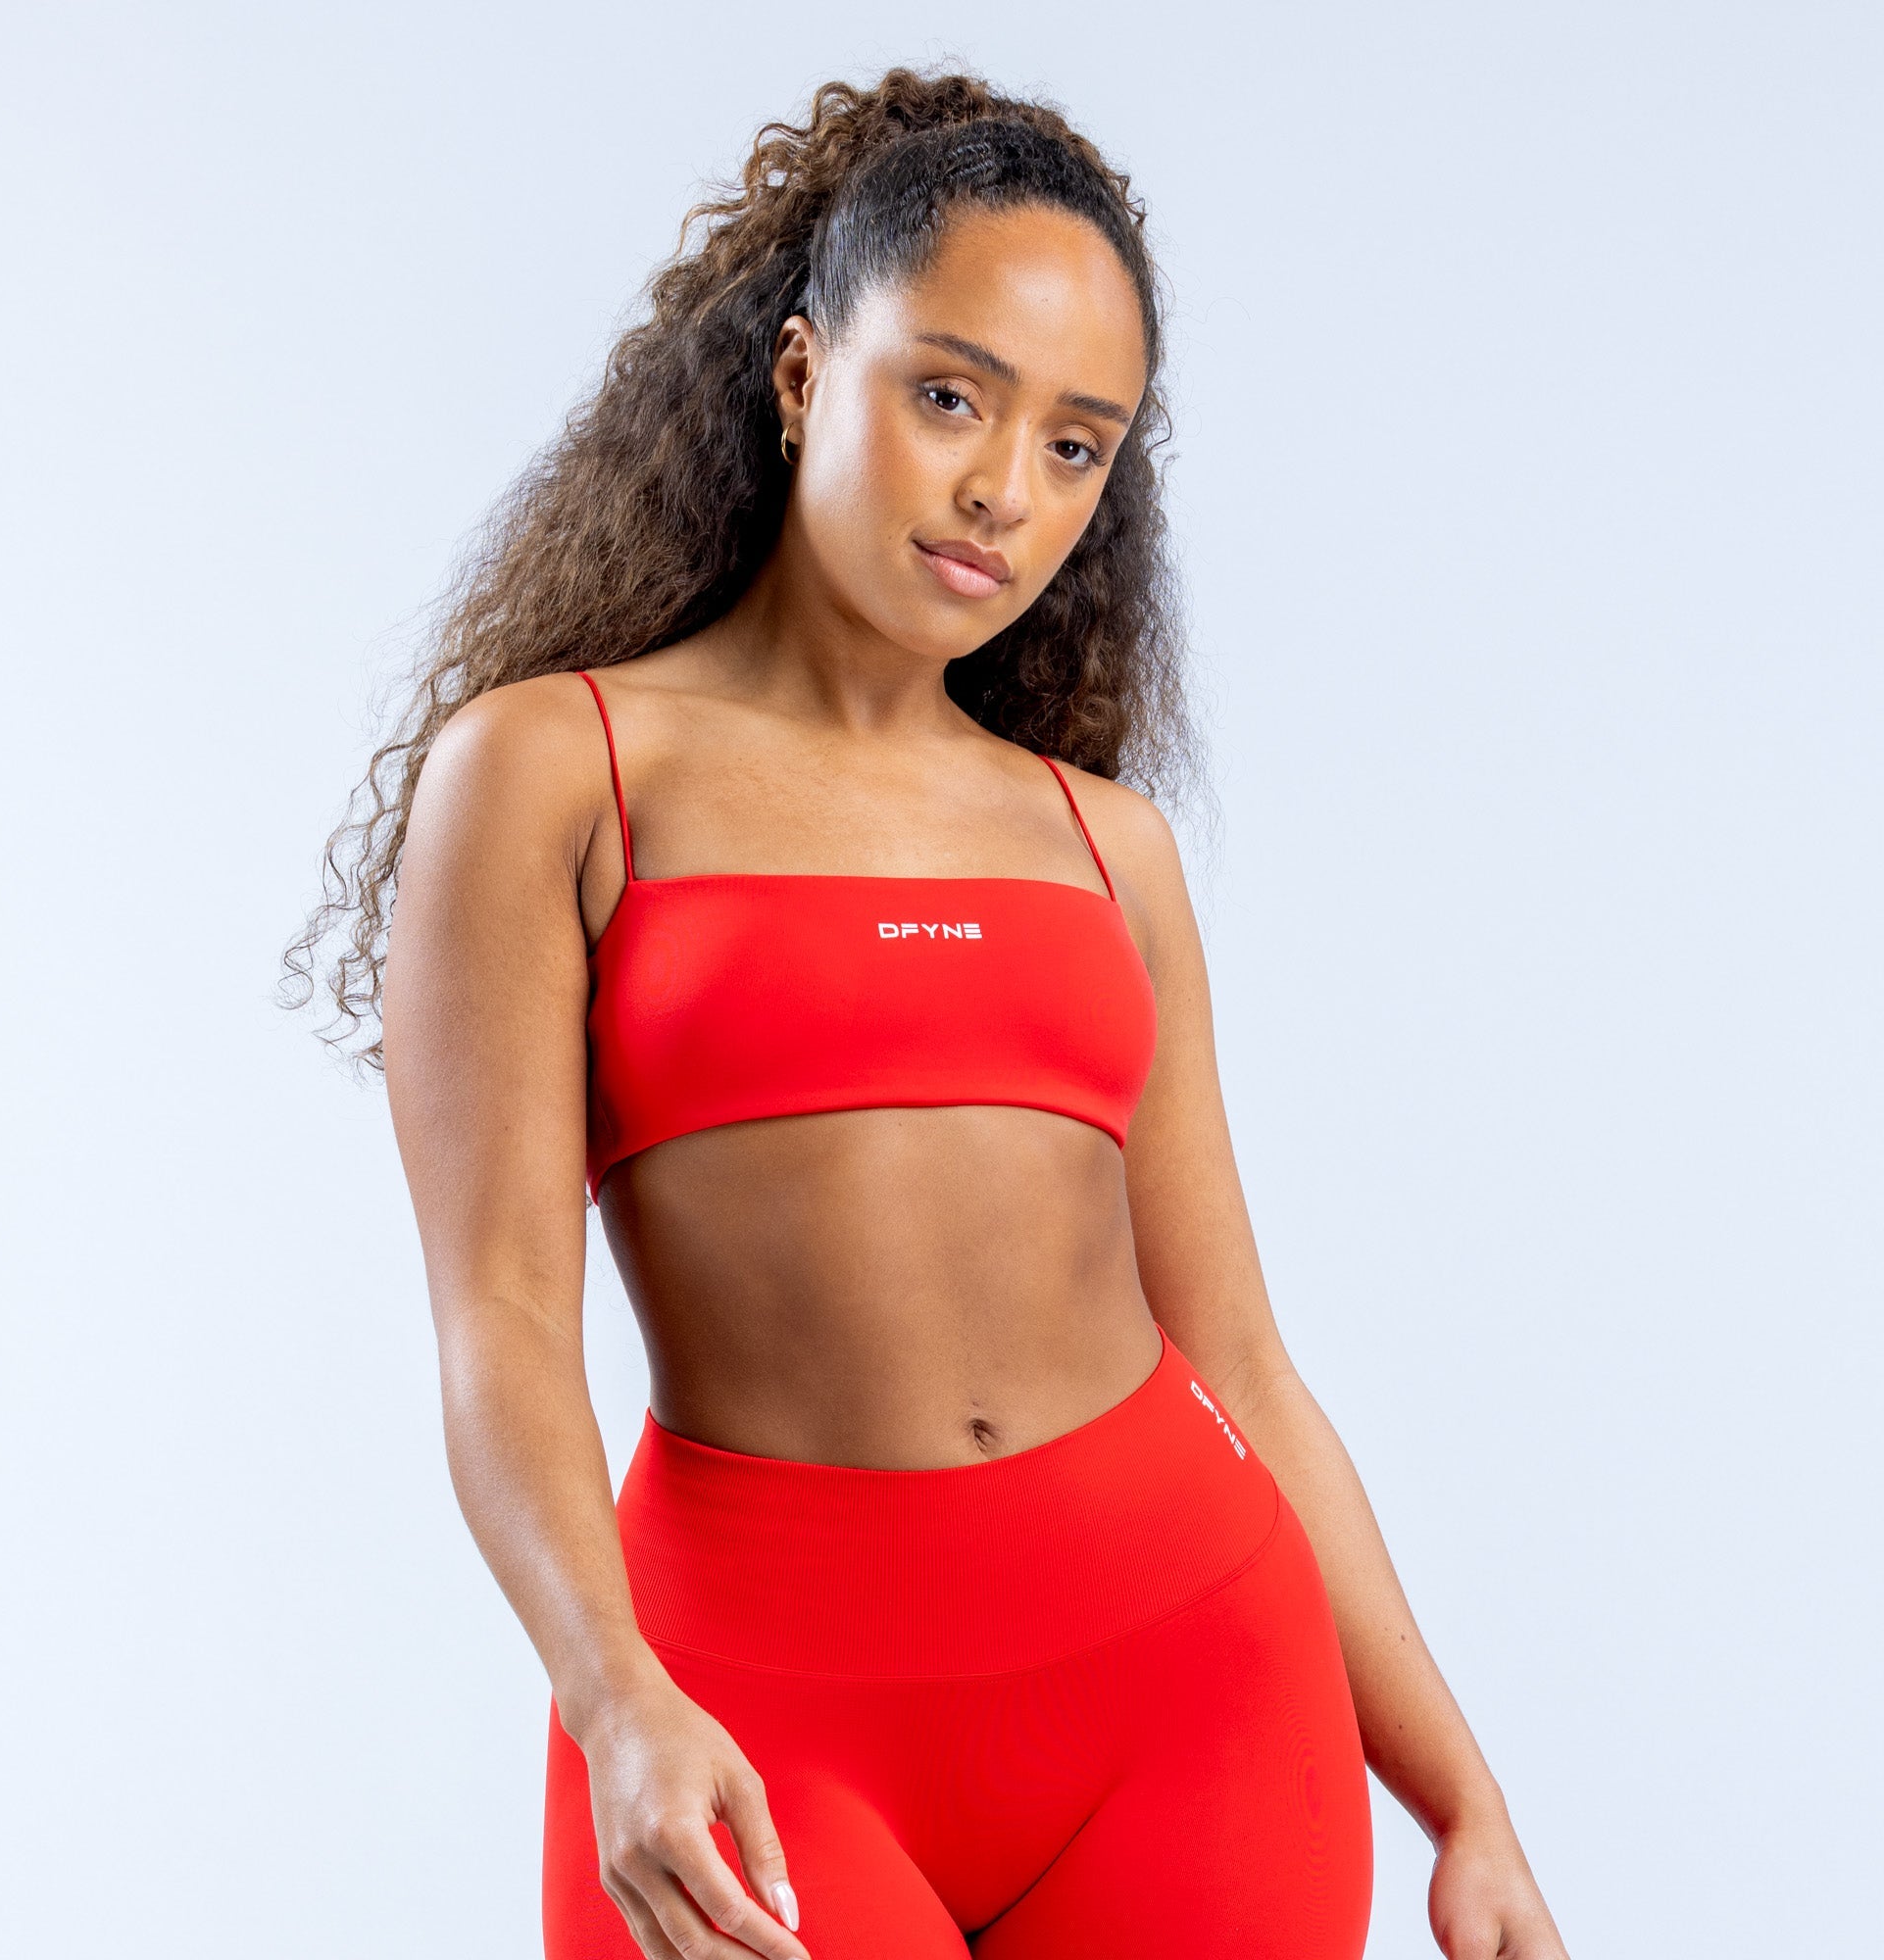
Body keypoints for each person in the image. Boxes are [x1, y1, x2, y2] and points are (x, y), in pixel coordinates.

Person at [290, 68, 1570, 1960]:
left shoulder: (1106, 846)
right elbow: (501, 1323)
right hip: (748, 1717)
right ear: (806, 371)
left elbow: (1241, 1362)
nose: (1004, 490)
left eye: (1078, 443)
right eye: (952, 396)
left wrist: (1464, 1801)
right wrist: (611, 1694)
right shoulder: (557, 772)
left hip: (1195, 1696)